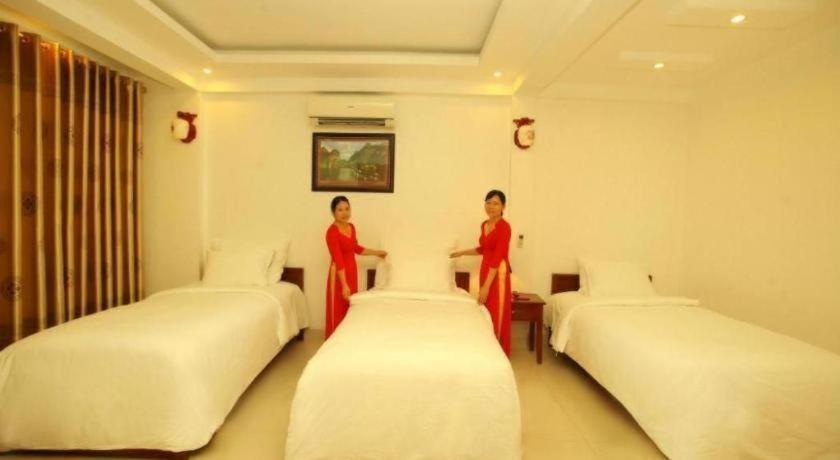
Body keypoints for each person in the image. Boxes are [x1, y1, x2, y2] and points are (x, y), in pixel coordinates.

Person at [450, 190, 512, 355]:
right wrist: (461, 253)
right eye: (488, 202)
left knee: (496, 309)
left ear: (503, 207)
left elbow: (497, 257)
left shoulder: (504, 227)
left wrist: (486, 286)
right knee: (486, 309)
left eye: (496, 203)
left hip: (497, 272)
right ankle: (487, 346)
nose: (491, 206)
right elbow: (483, 249)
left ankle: (497, 350)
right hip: (486, 269)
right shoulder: (484, 224)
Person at [325, 196, 386, 339]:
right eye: (340, 210)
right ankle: (335, 340)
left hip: (352, 271)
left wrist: (378, 253)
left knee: (350, 306)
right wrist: (344, 284)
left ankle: (348, 338)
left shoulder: (351, 227)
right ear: (333, 212)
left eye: (347, 209)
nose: (344, 213)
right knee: (339, 307)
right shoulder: (332, 232)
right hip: (339, 275)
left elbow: (356, 248)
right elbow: (338, 259)